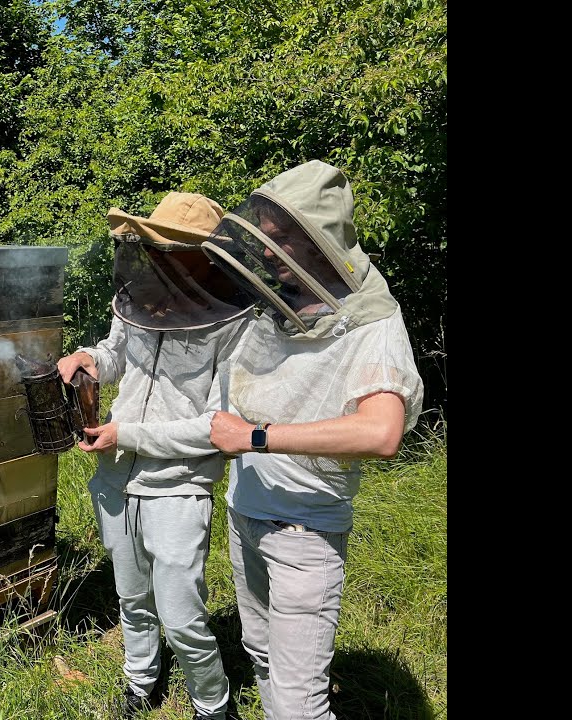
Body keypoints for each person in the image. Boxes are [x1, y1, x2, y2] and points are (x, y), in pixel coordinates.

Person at [201, 160, 424, 720]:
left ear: (318, 243)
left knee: (300, 705)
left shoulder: (373, 324)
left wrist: (254, 437)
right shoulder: (277, 305)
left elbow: (381, 431)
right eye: (265, 239)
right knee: (260, 652)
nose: (269, 253)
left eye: (281, 241)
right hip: (245, 512)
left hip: (306, 531)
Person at [59, 191, 255, 720]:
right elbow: (116, 352)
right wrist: (89, 359)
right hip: (116, 476)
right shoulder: (138, 292)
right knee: (131, 596)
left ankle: (213, 703)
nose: (158, 256)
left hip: (178, 484)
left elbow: (217, 428)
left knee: (183, 614)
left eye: (171, 250)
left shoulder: (235, 320)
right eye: (153, 246)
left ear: (203, 256)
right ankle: (140, 681)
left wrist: (128, 434)